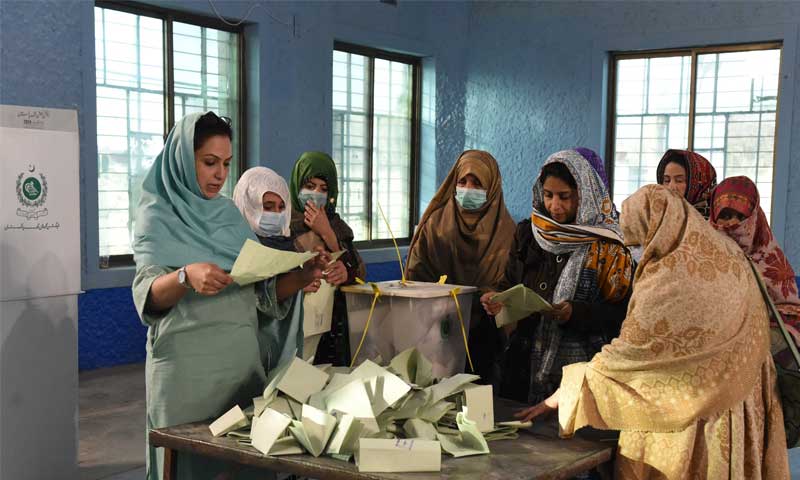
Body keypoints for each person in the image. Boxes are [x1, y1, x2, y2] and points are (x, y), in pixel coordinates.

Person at [517, 184, 789, 479]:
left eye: (637, 241)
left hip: (690, 424)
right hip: (739, 409)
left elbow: (633, 355)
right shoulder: (727, 254)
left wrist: (566, 392)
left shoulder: (669, 277)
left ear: (659, 231)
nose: (636, 251)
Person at [132, 112, 323, 480]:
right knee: (190, 468)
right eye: (209, 163)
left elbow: (259, 292)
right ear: (184, 160)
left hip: (239, 375)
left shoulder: (229, 216)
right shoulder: (158, 216)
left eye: (226, 164)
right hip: (187, 379)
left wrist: (302, 275)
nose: (220, 174)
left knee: (243, 466)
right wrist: (186, 276)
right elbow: (147, 295)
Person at [481, 149, 633, 404]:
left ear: (585, 195)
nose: (555, 206)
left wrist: (575, 313)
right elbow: (509, 284)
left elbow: (623, 314)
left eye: (565, 197)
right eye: (548, 195)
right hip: (524, 362)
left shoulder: (609, 246)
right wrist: (497, 300)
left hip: (583, 369)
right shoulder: (529, 234)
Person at [405, 150, 516, 384]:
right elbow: (415, 276)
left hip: (485, 337)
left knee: (479, 407)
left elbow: (512, 289)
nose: (468, 189)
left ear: (492, 187)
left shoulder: (507, 232)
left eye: (477, 183)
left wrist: (491, 297)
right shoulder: (435, 225)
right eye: (462, 181)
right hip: (434, 330)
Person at [233, 166, 326, 374]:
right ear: (248, 204)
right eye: (267, 206)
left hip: (283, 347)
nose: (276, 214)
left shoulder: (287, 244)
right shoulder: (235, 247)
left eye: (281, 207)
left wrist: (303, 282)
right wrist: (301, 279)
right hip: (247, 353)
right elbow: (263, 295)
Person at [289, 151, 365, 366]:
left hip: (334, 332)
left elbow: (358, 274)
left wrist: (329, 235)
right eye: (309, 186)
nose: (315, 194)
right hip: (296, 330)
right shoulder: (282, 224)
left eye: (323, 189)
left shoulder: (338, 227)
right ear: (296, 186)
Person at [710, 176, 800, 350]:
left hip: (765, 330)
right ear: (714, 218)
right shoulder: (701, 255)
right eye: (725, 215)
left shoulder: (771, 259)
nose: (733, 223)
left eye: (741, 216)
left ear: (754, 218)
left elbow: (787, 307)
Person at [656, 149, 717, 219]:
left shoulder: (715, 222)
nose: (671, 187)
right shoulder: (656, 214)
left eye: (679, 181)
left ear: (698, 184)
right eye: (667, 180)